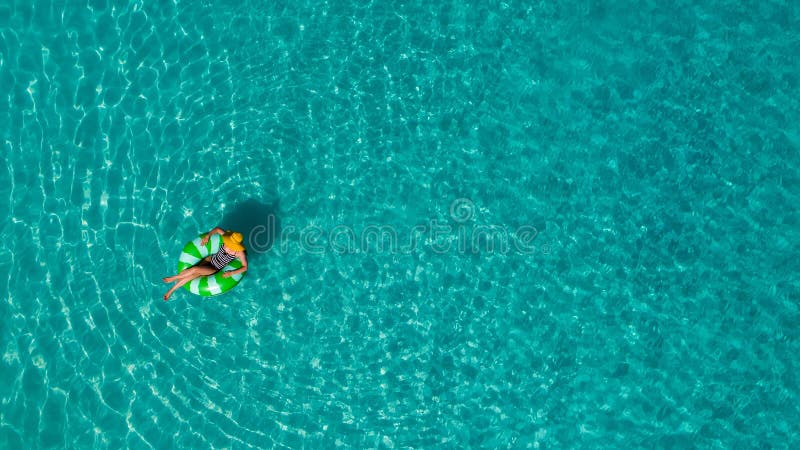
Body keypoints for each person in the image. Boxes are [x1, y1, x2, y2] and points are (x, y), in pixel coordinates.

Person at [162, 227, 248, 301]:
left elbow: (245, 267)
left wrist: (231, 273)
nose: (228, 247)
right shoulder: (226, 238)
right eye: (228, 243)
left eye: (231, 246)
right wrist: (207, 236)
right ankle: (171, 291)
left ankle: (174, 278)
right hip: (208, 260)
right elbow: (217, 229)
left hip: (214, 269)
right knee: (194, 275)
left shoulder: (239, 253)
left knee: (195, 269)